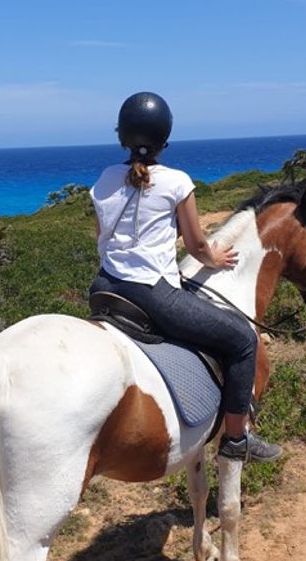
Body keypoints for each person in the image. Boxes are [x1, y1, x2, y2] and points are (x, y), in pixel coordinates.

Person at [89, 91, 282, 463]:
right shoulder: (177, 181)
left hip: (105, 288)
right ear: (165, 140)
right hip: (153, 294)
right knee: (243, 339)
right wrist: (214, 257)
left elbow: (103, 232)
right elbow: (195, 246)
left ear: (122, 137)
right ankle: (237, 438)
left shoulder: (104, 178)